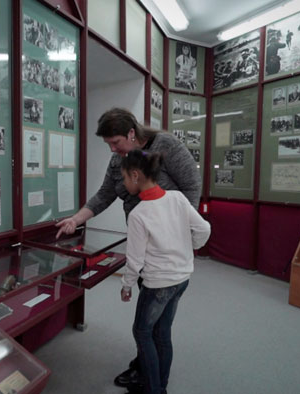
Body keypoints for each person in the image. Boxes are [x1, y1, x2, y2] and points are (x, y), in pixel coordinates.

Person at [54, 108, 201, 392]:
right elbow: (103, 196)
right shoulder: (118, 161)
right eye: (108, 144)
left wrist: (184, 238)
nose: (113, 149)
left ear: (132, 134)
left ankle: (153, 383)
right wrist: (75, 219)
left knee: (152, 327)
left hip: (165, 252)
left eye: (116, 142)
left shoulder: (167, 146)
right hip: (145, 250)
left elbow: (192, 189)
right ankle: (147, 369)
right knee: (154, 323)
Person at [119, 150, 210, 394]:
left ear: (136, 175)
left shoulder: (139, 214)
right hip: (181, 280)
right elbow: (203, 228)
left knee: (142, 332)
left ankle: (153, 390)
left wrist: (127, 285)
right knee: (162, 333)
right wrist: (191, 248)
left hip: (158, 285)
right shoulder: (178, 198)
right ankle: (161, 386)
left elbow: (135, 260)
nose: (123, 183)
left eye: (124, 177)